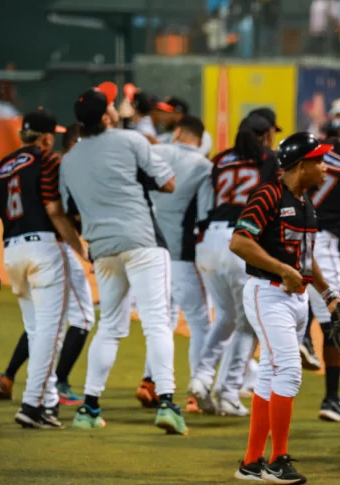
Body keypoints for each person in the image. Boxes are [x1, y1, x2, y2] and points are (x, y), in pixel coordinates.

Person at [60, 83, 187, 435]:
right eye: (111, 106)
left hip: (101, 247)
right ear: (106, 116)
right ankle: (167, 402)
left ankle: (89, 407)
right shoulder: (131, 140)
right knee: (157, 322)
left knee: (110, 327)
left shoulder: (69, 160)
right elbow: (169, 183)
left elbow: (68, 212)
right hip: (142, 240)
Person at [231, 132, 340, 484]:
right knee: (290, 370)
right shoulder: (268, 194)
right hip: (268, 292)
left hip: (295, 297)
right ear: (299, 165)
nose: (325, 167)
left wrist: (329, 295)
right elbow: (239, 242)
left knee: (270, 374)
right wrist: (282, 269)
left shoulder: (305, 201)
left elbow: (306, 259)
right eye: (319, 160)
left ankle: (251, 462)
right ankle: (277, 460)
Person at [0, 108, 87, 429]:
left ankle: (47, 404)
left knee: (39, 331)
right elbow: (54, 210)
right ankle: (31, 404)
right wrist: (81, 250)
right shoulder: (49, 161)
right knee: (50, 334)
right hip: (44, 251)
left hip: (12, 254)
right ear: (47, 138)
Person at [190, 114, 280, 416]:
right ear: (265, 134)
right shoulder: (269, 159)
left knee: (226, 317)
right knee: (248, 323)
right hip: (241, 240)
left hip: (208, 241)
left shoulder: (220, 159)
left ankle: (202, 378)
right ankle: (228, 391)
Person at [134, 116, 213, 413]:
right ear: (200, 140)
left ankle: (149, 382)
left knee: (160, 320)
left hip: (147, 249)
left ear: (177, 132)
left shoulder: (155, 153)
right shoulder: (205, 167)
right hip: (180, 254)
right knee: (200, 323)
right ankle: (195, 393)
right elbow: (205, 213)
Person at [299, 123, 340, 423]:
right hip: (322, 241)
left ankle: (303, 337)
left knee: (292, 301)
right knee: (336, 321)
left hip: (292, 233)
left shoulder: (311, 153)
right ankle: (332, 399)